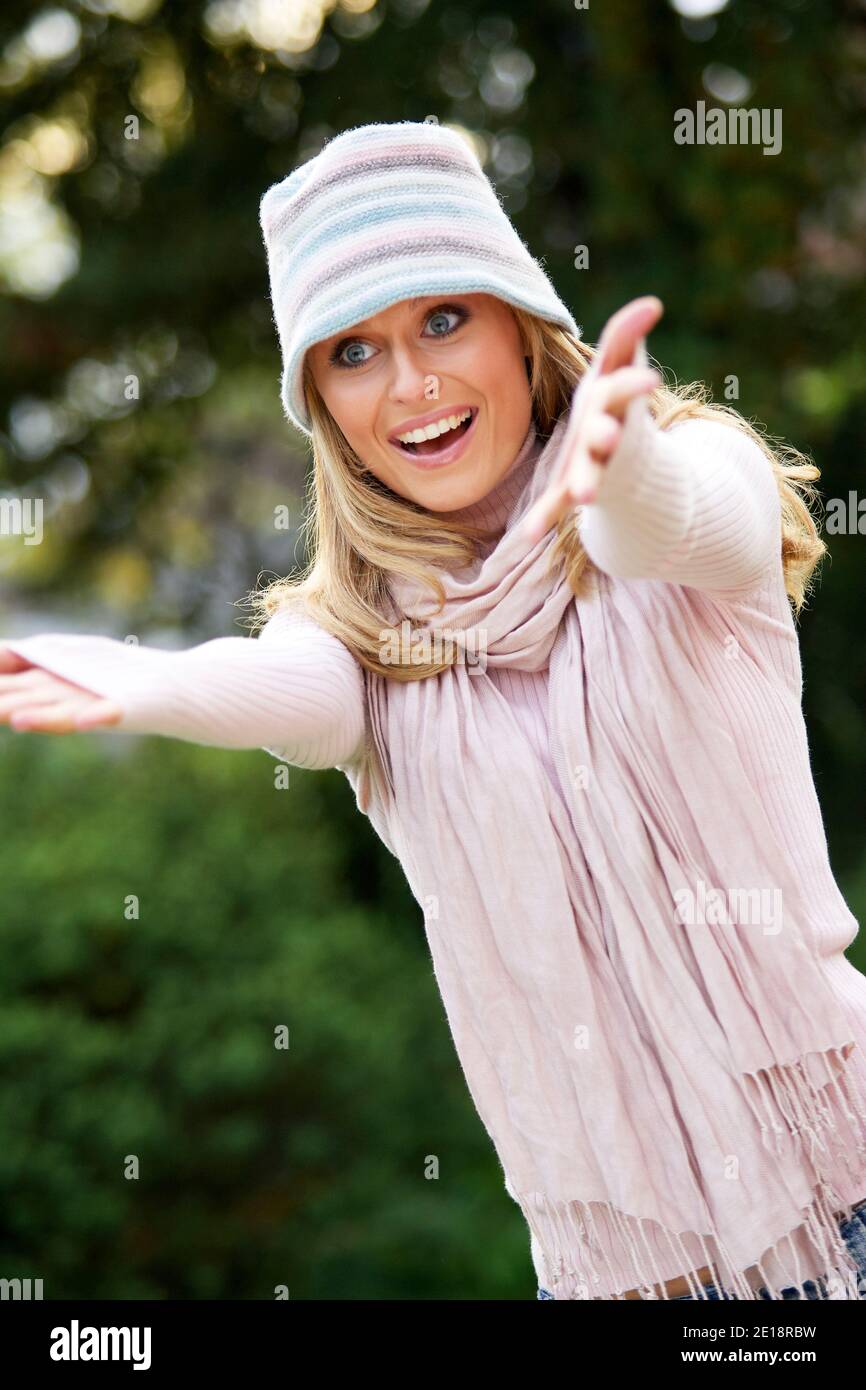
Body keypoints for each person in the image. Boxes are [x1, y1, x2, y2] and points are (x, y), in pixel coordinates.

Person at [2, 120, 866, 1302]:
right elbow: (298, 696)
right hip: (627, 1272)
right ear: (321, 401)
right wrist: (143, 682)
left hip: (847, 1182)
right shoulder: (352, 629)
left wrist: (618, 472)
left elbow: (666, 523)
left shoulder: (687, 475)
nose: (409, 384)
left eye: (442, 321)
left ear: (519, 325)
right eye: (352, 351)